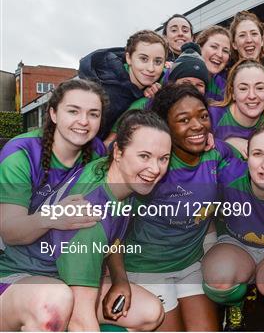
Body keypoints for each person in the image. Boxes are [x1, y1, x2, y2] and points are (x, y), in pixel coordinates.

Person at [0, 110, 171, 331]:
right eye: (144, 156)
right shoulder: (89, 213)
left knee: (149, 312)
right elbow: (81, 319)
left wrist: (120, 280)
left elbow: (113, 238)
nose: (155, 169)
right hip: (20, 281)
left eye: (163, 158)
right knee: (54, 304)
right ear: (118, 152)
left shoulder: (117, 177)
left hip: (62, 279)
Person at [123, 84, 242, 331]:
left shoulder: (215, 152)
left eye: (202, 116)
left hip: (190, 265)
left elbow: (243, 157)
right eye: (183, 119)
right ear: (165, 125)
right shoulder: (153, 167)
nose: (197, 125)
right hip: (148, 270)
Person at [202, 126, 264, 332]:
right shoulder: (227, 174)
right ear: (247, 156)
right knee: (217, 278)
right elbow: (213, 144)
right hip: (236, 245)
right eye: (258, 154)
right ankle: (234, 305)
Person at [0, 79, 107, 247]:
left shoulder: (98, 151)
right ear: (53, 114)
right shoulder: (20, 154)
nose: (84, 121)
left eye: (93, 114)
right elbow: (10, 233)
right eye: (73, 111)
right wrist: (52, 216)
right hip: (16, 259)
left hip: (65, 252)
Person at [105, 42, 209, 147]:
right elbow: (110, 142)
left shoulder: (207, 113)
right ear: (172, 84)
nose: (192, 88)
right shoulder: (145, 105)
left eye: (200, 85)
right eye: (186, 82)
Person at [79, 30, 167, 139]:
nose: (150, 68)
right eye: (143, 59)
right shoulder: (106, 92)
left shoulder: (157, 86)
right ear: (129, 58)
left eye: (158, 62)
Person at [196, 25, 232, 102]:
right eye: (214, 47)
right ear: (200, 47)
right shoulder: (177, 74)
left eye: (225, 51)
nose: (220, 54)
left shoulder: (225, 86)